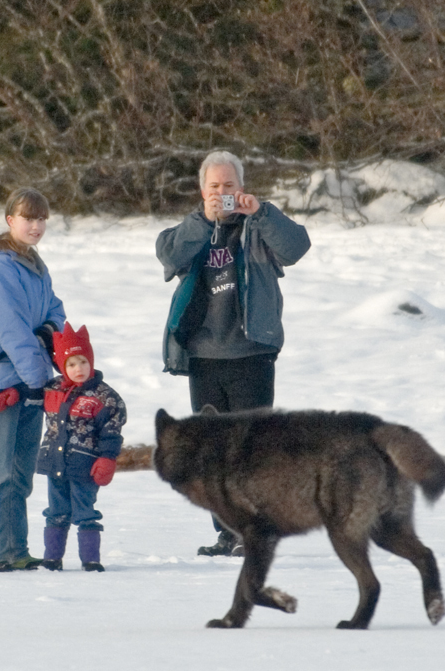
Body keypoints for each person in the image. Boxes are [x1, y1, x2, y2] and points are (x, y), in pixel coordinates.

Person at [155, 149, 311, 556]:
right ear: (201, 189)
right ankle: (229, 531)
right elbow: (168, 254)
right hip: (204, 356)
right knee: (211, 453)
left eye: (229, 186)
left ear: (241, 187)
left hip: (251, 352)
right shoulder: (192, 228)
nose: (222, 193)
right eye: (214, 187)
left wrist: (261, 212)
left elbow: (296, 247)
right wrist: (203, 220)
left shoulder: (259, 224)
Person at [0, 187, 66, 573]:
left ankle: (12, 549)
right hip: (2, 377)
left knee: (20, 471)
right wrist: (37, 375)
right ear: (10, 220)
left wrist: (51, 331)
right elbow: (10, 327)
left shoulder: (35, 264)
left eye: (41, 219)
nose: (36, 226)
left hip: (32, 378)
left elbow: (55, 309)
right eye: (28, 218)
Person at [35, 323, 127, 572]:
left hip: (85, 466)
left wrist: (108, 458)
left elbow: (112, 431)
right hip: (55, 463)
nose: (79, 369)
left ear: (91, 361)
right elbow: (31, 398)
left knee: (85, 511)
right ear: (63, 367)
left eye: (84, 362)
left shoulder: (105, 397)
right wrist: (13, 394)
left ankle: (91, 559)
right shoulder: (52, 389)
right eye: (72, 364)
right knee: (56, 511)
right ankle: (52, 559)